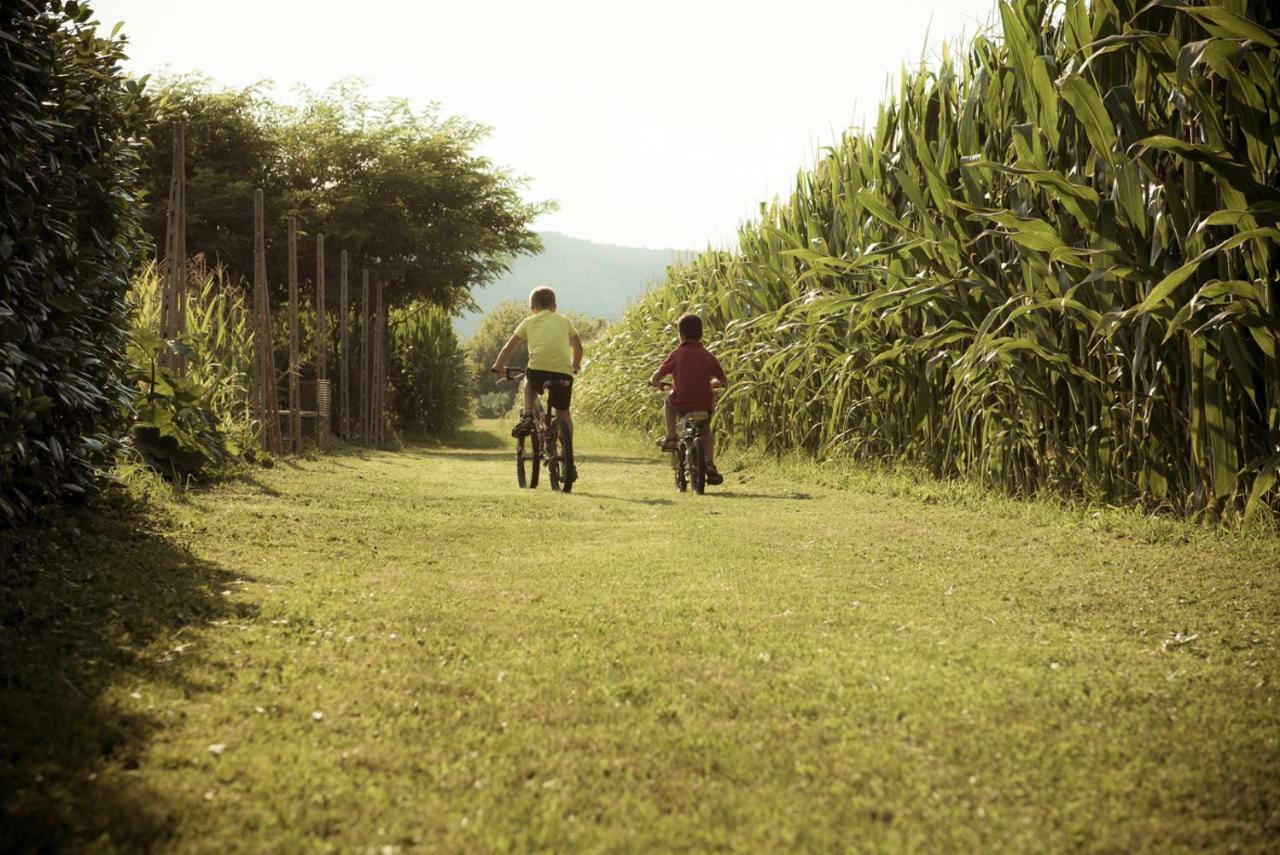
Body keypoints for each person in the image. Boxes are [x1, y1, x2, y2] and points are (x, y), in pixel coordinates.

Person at [491, 286, 583, 443]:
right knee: (563, 412)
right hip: (563, 373)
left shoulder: (528, 322)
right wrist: (575, 365)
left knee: (528, 379)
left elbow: (508, 348)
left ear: (532, 308)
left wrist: (499, 366)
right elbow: (578, 347)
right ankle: (568, 456)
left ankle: (527, 413)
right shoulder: (565, 321)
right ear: (554, 307)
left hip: (538, 371)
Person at [648, 313, 726, 485]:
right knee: (706, 431)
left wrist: (656, 383)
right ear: (701, 334)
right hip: (704, 405)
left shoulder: (676, 354)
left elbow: (657, 376)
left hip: (681, 404)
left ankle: (670, 437)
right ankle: (710, 465)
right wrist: (713, 384)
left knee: (668, 400)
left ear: (680, 334)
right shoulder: (707, 355)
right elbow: (723, 379)